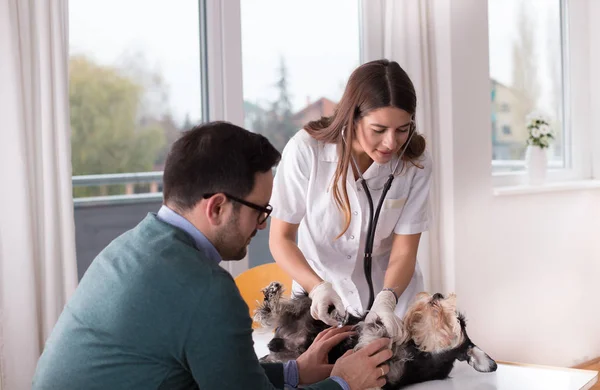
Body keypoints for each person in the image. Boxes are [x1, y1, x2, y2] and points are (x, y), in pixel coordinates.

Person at [32, 122, 393, 390]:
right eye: (259, 211)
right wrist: (345, 382)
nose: (263, 225)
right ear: (217, 207)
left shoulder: (130, 247)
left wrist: (293, 371)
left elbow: (217, 373)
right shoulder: (205, 289)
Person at [269, 59, 432, 341]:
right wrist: (317, 287)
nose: (391, 143)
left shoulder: (413, 163)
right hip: (319, 304)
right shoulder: (307, 151)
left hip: (390, 304)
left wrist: (388, 298)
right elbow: (281, 238)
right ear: (352, 117)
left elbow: (405, 250)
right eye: (378, 130)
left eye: (402, 129)